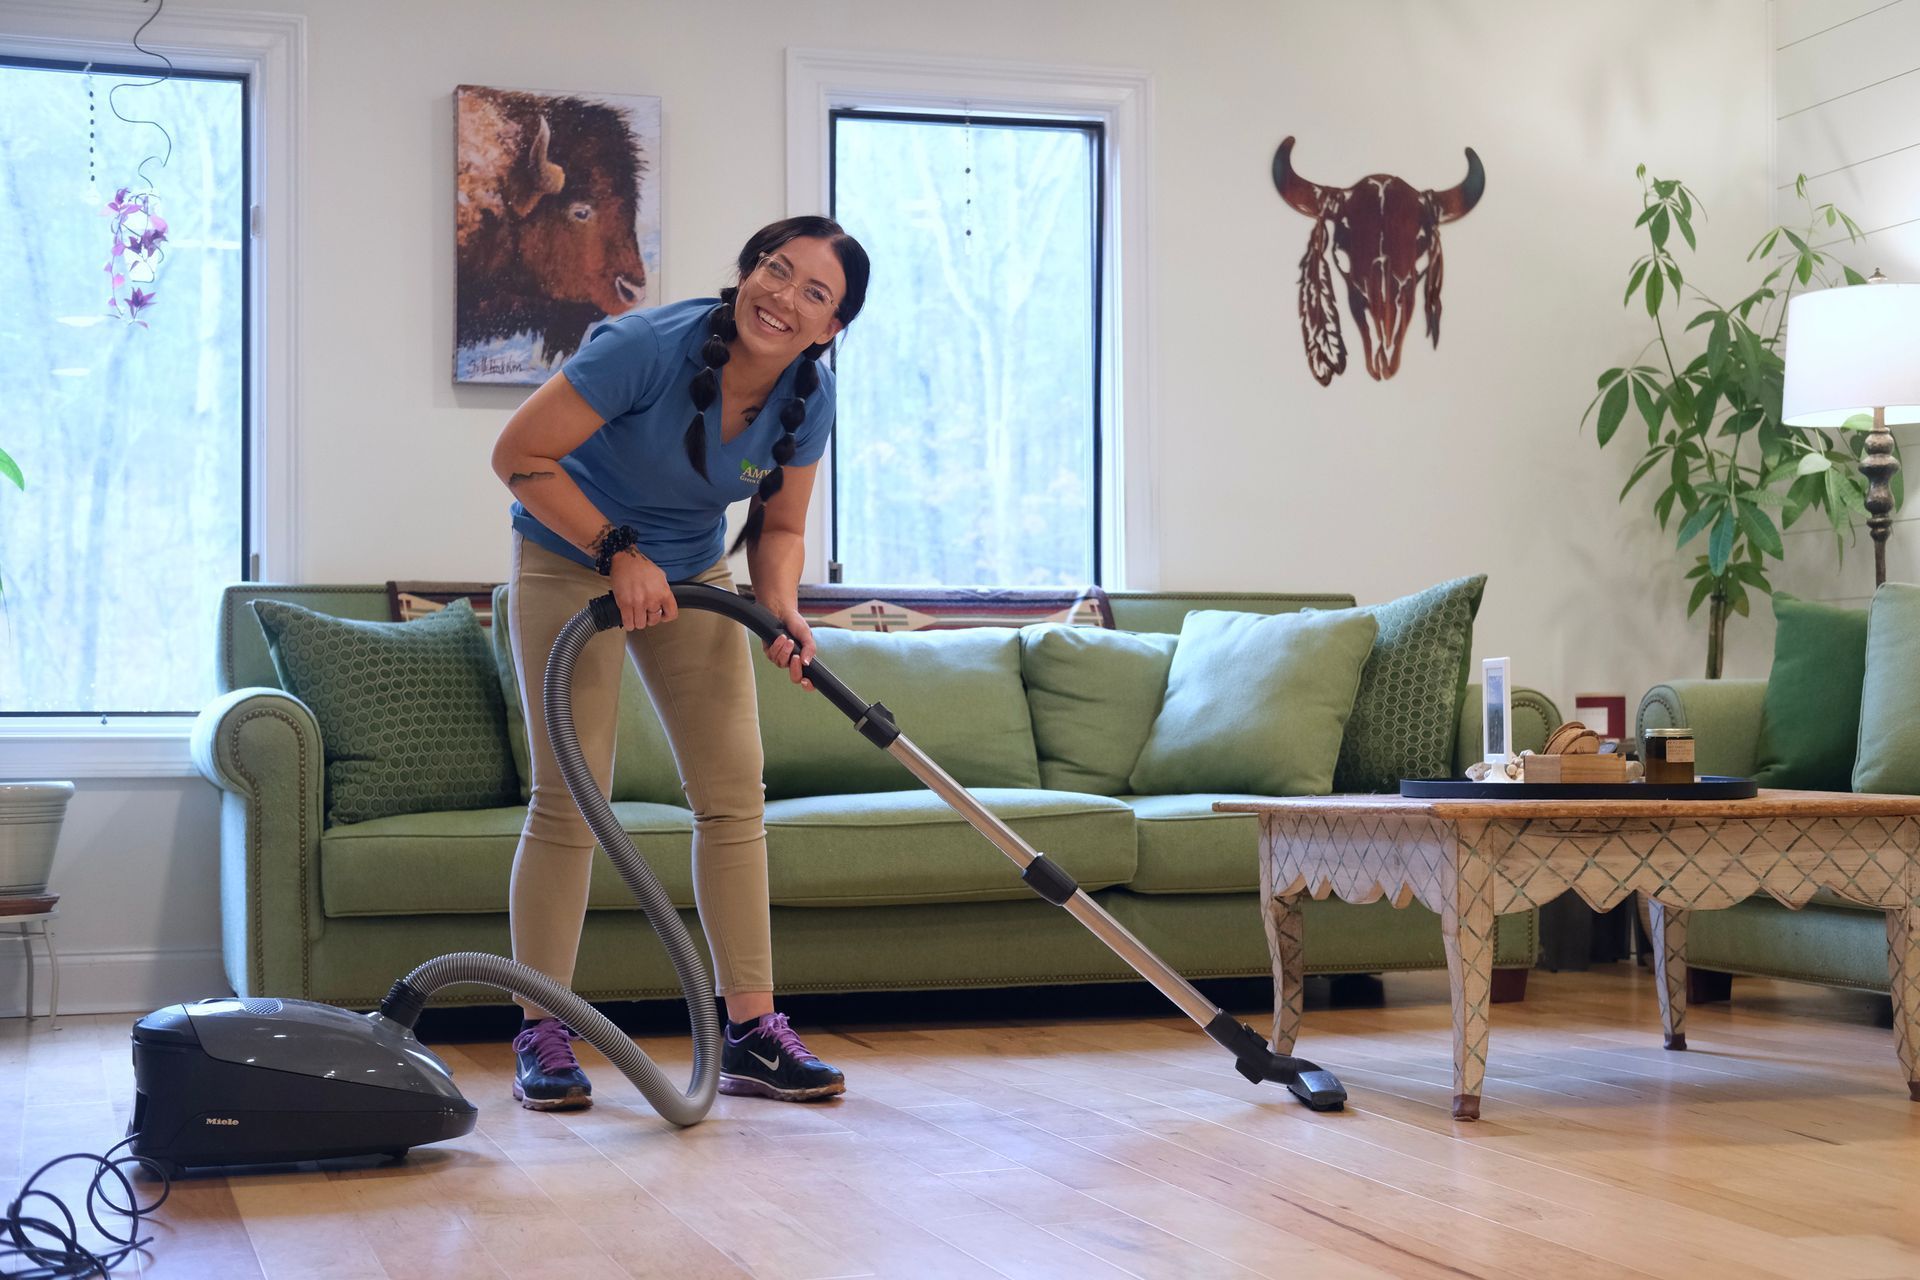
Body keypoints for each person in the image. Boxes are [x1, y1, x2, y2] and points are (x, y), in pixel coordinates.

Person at [489, 215, 870, 1108]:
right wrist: (617, 550)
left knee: (734, 795)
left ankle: (751, 1034)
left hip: (692, 570)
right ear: (746, 272)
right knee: (570, 795)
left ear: (831, 328)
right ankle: (542, 1029)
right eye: (776, 271)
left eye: (815, 292)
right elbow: (518, 454)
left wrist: (779, 604)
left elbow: (779, 527)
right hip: (569, 553)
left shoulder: (809, 396)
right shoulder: (644, 346)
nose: (784, 296)